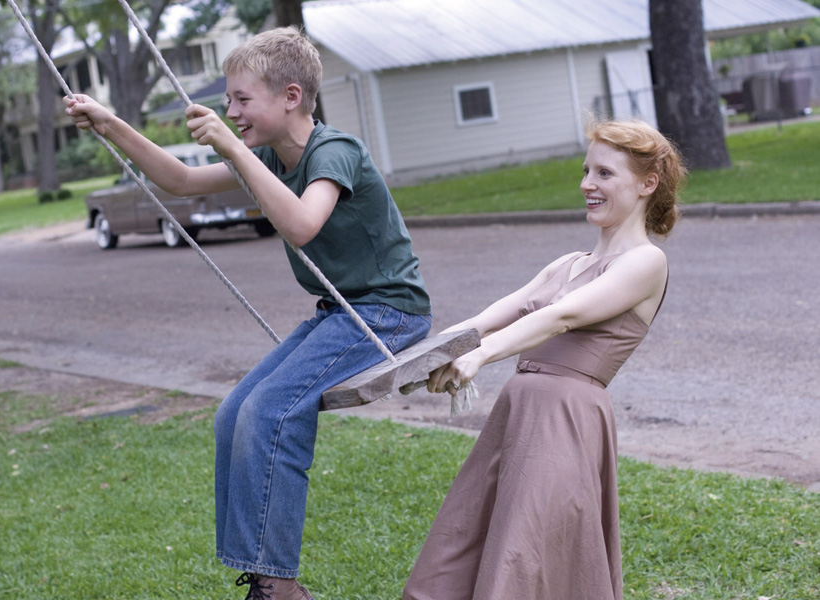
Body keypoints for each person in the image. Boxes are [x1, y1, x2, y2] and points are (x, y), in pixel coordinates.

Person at [65, 27, 432, 600]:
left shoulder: (334, 151)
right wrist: (110, 123)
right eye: (229, 101)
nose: (230, 111)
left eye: (241, 99)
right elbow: (182, 180)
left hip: (387, 315)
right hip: (338, 314)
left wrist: (234, 150)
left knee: (269, 412)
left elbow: (303, 224)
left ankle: (279, 588)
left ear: (290, 96)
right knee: (234, 411)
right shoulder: (266, 156)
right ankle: (264, 579)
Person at [401, 119, 687, 600]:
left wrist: (482, 355)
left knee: (528, 556)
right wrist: (425, 354)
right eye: (586, 170)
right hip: (517, 417)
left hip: (565, 423)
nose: (586, 184)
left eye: (603, 173)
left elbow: (564, 316)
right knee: (463, 545)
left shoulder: (646, 262)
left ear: (647, 183)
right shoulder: (566, 263)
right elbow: (490, 316)